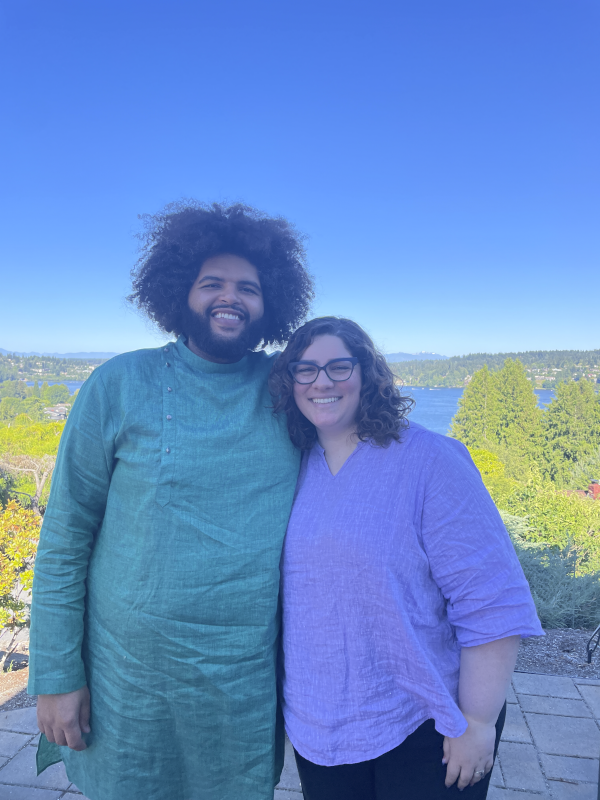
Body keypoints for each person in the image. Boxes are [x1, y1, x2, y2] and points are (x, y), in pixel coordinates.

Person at [28, 201, 314, 800]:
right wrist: (55, 676)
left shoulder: (290, 390)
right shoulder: (118, 384)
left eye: (249, 288)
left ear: (271, 303)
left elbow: (365, 432)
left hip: (241, 684)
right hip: (128, 684)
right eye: (212, 283)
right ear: (179, 291)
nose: (230, 298)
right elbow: (65, 539)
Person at [269, 317, 544, 800]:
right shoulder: (290, 467)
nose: (321, 382)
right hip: (320, 729)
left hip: (425, 723)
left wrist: (478, 722)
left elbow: (490, 599)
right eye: (305, 369)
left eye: (338, 367)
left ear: (366, 373)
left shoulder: (430, 460)